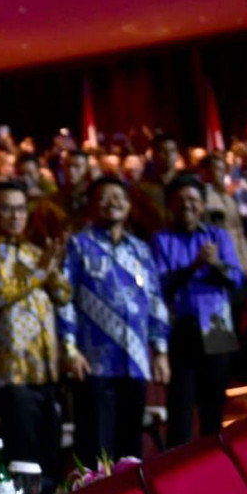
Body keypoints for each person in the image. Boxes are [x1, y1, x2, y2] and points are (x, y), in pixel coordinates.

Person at [0, 181, 70, 494]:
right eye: (7, 208)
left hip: (46, 369)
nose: (15, 215)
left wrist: (52, 266)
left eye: (21, 208)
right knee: (23, 461)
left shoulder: (33, 251)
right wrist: (40, 271)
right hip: (12, 371)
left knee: (51, 456)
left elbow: (64, 295)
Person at [60, 176, 170, 464]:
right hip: (94, 364)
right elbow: (64, 298)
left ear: (129, 204)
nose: (113, 202)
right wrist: (70, 350)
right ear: (92, 206)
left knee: (130, 450)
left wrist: (159, 350)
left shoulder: (140, 249)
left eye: (118, 196)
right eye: (104, 197)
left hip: (135, 361)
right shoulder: (79, 245)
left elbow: (155, 300)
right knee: (96, 449)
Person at [152, 173, 244, 447]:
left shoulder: (218, 236)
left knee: (214, 413)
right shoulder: (161, 239)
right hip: (182, 329)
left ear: (202, 204)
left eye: (192, 199)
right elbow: (159, 283)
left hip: (217, 327)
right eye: (179, 200)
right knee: (180, 412)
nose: (187, 205)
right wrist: (194, 266)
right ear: (170, 205)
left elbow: (236, 278)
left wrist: (214, 263)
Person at [129, 134, 182, 239]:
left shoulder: (187, 185)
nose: (168, 155)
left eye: (172, 151)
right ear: (154, 155)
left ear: (177, 154)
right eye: (163, 151)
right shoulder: (141, 189)